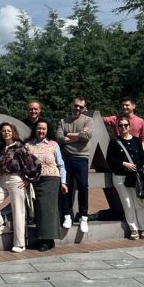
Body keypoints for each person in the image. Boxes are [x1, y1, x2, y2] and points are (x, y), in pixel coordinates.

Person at [0, 122, 35, 253]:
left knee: (18, 211)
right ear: (1, 133)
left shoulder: (19, 147)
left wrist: (28, 180)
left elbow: (34, 164)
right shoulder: (0, 148)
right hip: (2, 180)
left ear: (13, 132)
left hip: (16, 180)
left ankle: (20, 244)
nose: (6, 133)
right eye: (4, 131)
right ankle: (0, 224)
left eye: (9, 130)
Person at [24, 119, 67, 251]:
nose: (41, 131)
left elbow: (61, 165)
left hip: (52, 179)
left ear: (47, 130)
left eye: (44, 129)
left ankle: (46, 240)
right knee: (38, 210)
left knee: (49, 209)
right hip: (35, 180)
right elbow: (25, 164)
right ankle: (47, 239)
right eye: (39, 128)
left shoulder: (53, 144)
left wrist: (63, 182)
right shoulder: (28, 145)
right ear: (35, 129)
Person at [56, 97, 96, 233]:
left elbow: (87, 136)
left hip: (81, 158)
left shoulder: (88, 120)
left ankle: (83, 217)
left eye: (80, 107)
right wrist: (78, 135)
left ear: (84, 108)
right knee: (65, 186)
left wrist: (68, 134)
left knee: (83, 186)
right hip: (66, 158)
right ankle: (67, 216)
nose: (77, 108)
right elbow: (59, 138)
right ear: (71, 105)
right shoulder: (63, 121)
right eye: (75, 105)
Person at [107, 118, 144, 239]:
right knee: (127, 203)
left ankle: (143, 228)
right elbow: (110, 159)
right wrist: (123, 163)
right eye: (120, 125)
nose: (123, 127)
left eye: (126, 125)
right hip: (120, 177)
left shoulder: (136, 141)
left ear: (129, 126)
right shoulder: (114, 141)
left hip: (134, 177)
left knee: (138, 203)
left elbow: (142, 157)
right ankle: (134, 229)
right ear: (118, 127)